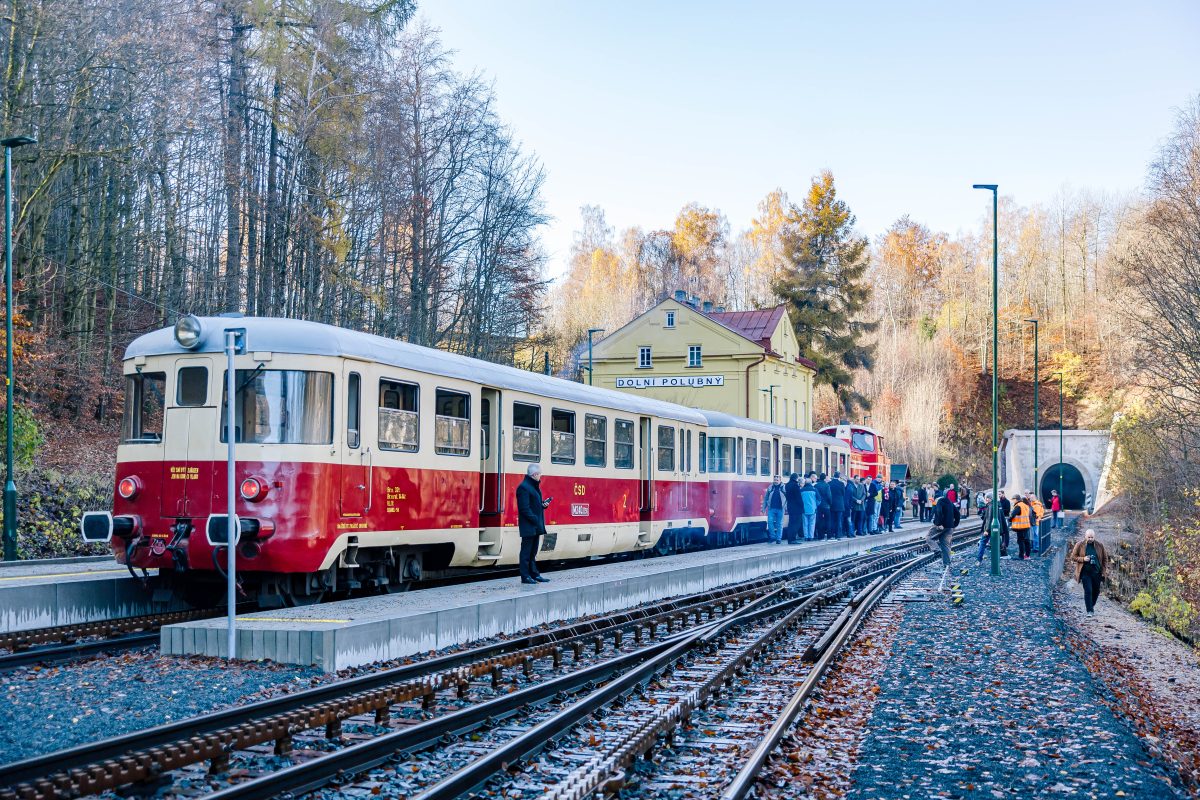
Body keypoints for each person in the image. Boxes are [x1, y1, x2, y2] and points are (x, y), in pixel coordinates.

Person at [516, 464, 551, 584]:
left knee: (533, 552)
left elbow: (533, 505)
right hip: (529, 526)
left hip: (535, 526)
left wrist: (543, 505)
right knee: (526, 553)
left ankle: (534, 574)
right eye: (539, 474)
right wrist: (535, 519)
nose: (540, 476)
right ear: (535, 474)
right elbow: (524, 509)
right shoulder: (524, 488)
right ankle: (525, 576)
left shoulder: (533, 487)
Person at [1069, 528, 1108, 616]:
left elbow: (1105, 559)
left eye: (1092, 537)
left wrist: (1103, 570)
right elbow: (1073, 557)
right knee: (1088, 591)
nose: (1090, 539)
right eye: (1088, 537)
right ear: (1085, 536)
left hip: (1097, 572)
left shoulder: (1100, 545)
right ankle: (1089, 611)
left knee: (1096, 591)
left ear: (1094, 537)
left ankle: (1091, 605)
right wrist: (1083, 559)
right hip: (1085, 572)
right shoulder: (1079, 545)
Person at [928, 487, 961, 580]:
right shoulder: (950, 503)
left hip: (941, 526)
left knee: (929, 538)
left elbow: (939, 512)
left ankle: (936, 550)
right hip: (950, 527)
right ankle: (947, 565)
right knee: (946, 545)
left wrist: (938, 524)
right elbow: (958, 514)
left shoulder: (939, 502)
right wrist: (955, 524)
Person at [762, 474, 788, 544]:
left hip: (780, 509)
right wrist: (763, 508)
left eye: (777, 480)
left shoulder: (784, 488)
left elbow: (788, 498)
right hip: (771, 508)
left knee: (779, 523)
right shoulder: (770, 487)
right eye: (775, 480)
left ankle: (778, 539)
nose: (776, 481)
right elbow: (766, 498)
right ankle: (773, 537)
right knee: (770, 522)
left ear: (780, 480)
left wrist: (786, 507)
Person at [1010, 493, 1033, 560]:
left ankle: (1021, 556)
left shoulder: (1018, 506)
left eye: (1013, 499)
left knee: (1020, 541)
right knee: (1026, 541)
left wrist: (1009, 519)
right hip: (1026, 525)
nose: (1012, 501)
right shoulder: (1025, 505)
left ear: (1016, 499)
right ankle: (1027, 555)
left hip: (1020, 526)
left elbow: (1012, 515)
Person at [784, 473, 804, 544]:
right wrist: (802, 506)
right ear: (796, 478)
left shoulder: (787, 485)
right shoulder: (795, 486)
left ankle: (790, 539)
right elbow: (798, 498)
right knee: (796, 523)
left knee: (791, 523)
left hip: (790, 506)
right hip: (797, 508)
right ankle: (793, 539)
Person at [828, 471, 847, 540]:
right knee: (839, 520)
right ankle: (838, 535)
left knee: (832, 520)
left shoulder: (829, 483)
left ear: (833, 475)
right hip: (839, 505)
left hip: (831, 504)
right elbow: (843, 493)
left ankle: (831, 535)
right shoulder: (841, 484)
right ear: (839, 476)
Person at [800, 474, 819, 541]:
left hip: (804, 509)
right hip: (813, 509)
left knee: (805, 523)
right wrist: (815, 505)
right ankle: (811, 537)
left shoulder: (802, 490)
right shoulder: (815, 490)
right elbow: (819, 499)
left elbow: (800, 500)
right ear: (811, 483)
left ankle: (806, 537)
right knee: (812, 523)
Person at [814, 472, 832, 540]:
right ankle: (829, 535)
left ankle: (820, 536)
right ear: (824, 478)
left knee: (820, 520)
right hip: (826, 506)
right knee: (828, 520)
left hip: (818, 506)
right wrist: (830, 503)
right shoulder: (827, 485)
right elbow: (829, 496)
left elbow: (815, 496)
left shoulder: (816, 485)